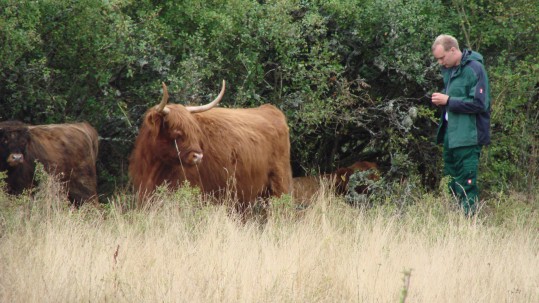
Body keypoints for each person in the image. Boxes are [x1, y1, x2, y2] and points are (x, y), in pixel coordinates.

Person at [430, 34, 491, 216]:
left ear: (453, 50)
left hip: (468, 137)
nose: (440, 62)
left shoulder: (475, 69)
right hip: (451, 136)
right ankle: (453, 223)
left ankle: (469, 225)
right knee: (450, 181)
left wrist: (448, 100)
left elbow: (480, 104)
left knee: (467, 184)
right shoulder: (449, 71)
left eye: (442, 57)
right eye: (438, 59)